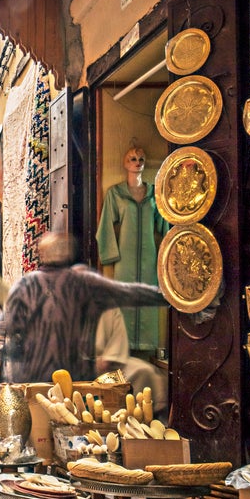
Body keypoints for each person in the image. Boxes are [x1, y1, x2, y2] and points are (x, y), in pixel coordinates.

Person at [1, 232, 167, 384]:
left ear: (41, 254)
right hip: (73, 377)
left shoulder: (24, 285)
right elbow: (128, 293)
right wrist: (166, 296)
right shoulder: (82, 281)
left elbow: (6, 327)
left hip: (32, 376)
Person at [96, 145, 169, 354]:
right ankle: (123, 345)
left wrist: (168, 254)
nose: (137, 163)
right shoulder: (116, 194)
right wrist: (109, 255)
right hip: (125, 259)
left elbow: (165, 227)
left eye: (141, 159)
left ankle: (147, 346)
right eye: (132, 159)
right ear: (125, 164)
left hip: (149, 257)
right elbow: (105, 228)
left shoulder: (155, 194)